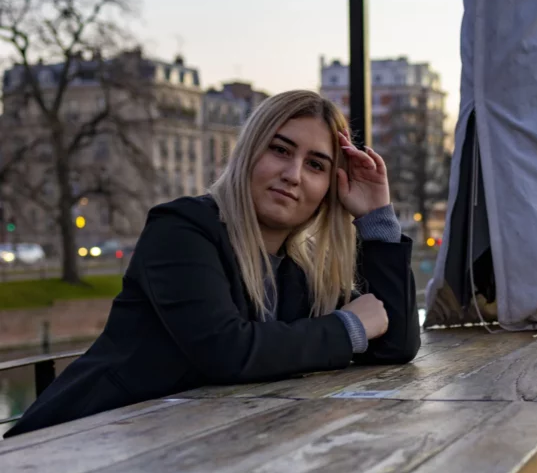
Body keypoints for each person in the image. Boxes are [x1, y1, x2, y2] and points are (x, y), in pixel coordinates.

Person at [4, 90, 420, 438]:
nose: (293, 174)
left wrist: (376, 219)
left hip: (174, 452)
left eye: (316, 165)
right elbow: (227, 350)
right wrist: (347, 328)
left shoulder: (299, 273)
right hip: (72, 445)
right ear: (247, 153)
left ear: (331, 187)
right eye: (280, 149)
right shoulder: (182, 229)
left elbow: (395, 344)